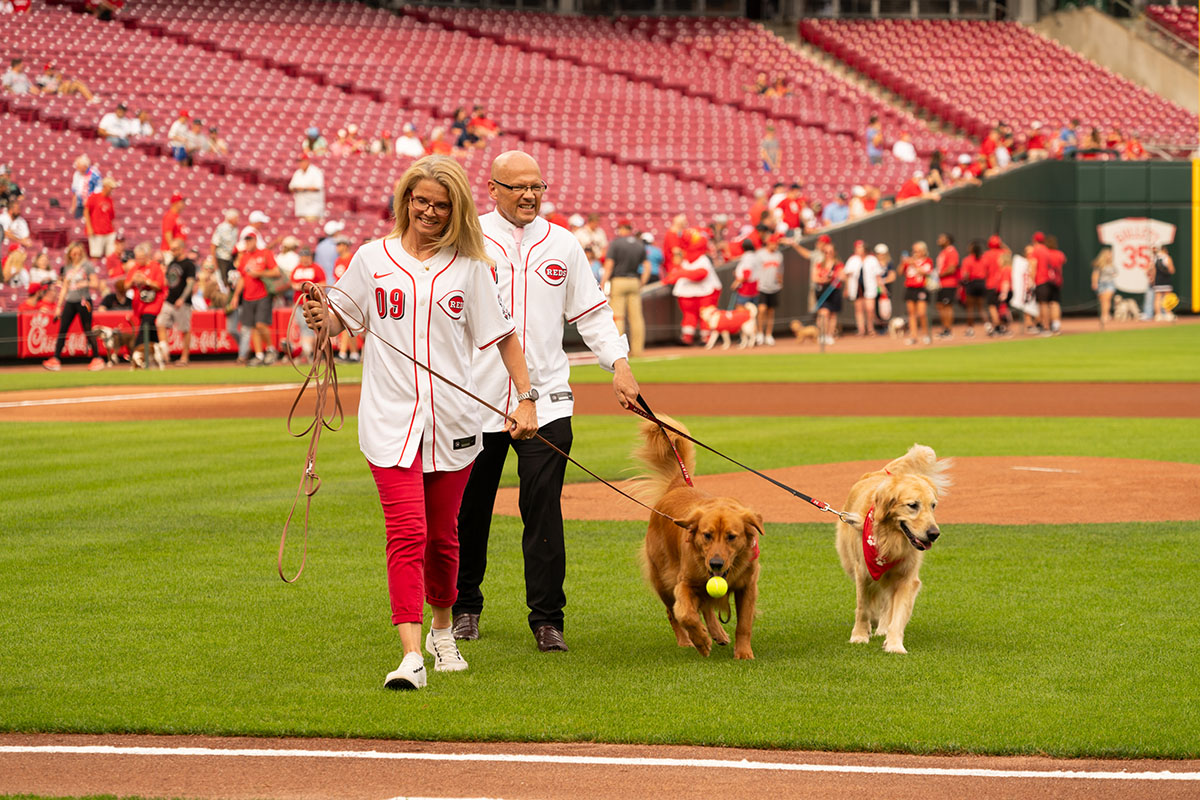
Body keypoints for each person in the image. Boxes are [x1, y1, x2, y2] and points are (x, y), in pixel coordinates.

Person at [302, 155, 537, 690]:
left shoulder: (470, 266)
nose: (428, 210)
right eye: (420, 199)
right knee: (406, 533)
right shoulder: (371, 258)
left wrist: (526, 399)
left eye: (441, 203)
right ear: (405, 199)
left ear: (456, 210)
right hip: (389, 421)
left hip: (455, 420)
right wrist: (321, 316)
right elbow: (340, 317)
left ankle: (442, 628)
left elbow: (504, 337)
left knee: (443, 539)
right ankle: (410, 654)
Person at [453, 150, 638, 653]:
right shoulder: (466, 241)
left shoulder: (563, 243)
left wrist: (618, 364)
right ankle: (464, 606)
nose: (530, 196)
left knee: (544, 514)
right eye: (518, 187)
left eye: (538, 186)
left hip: (550, 401)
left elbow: (593, 312)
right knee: (470, 512)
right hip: (477, 401)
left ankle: (547, 619)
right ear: (492, 189)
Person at [227, 230, 280, 366]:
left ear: (256, 241)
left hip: (263, 294)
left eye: (250, 240)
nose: (248, 243)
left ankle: (270, 349)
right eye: (246, 240)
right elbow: (242, 279)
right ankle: (259, 355)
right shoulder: (244, 257)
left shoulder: (265, 253)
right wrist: (236, 296)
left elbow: (276, 272)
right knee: (252, 327)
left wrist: (259, 273)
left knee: (261, 324)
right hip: (248, 296)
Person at [601, 219, 649, 358]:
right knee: (637, 318)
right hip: (634, 281)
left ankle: (619, 351)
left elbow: (609, 265)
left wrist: (603, 282)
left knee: (618, 317)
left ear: (621, 228)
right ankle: (638, 351)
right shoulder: (639, 244)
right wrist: (642, 282)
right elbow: (647, 266)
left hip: (619, 281)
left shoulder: (616, 243)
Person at [671, 233, 722, 346]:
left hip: (705, 291)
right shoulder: (684, 260)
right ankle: (687, 337)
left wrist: (683, 273)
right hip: (688, 292)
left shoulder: (703, 259)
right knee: (689, 316)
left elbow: (701, 274)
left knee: (706, 315)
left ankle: (706, 338)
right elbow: (673, 273)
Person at [157, 238, 197, 365]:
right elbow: (166, 282)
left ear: (181, 249)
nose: (172, 251)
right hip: (170, 300)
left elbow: (190, 284)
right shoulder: (172, 263)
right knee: (160, 323)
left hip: (182, 302)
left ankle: (185, 357)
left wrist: (182, 299)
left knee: (184, 330)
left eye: (175, 249)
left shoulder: (189, 264)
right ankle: (165, 355)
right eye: (171, 249)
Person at [126, 242, 166, 365]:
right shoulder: (135, 268)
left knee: (145, 326)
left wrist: (146, 281)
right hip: (139, 306)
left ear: (147, 256)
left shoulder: (155, 267)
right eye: (137, 258)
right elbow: (125, 286)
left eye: (141, 258)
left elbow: (159, 285)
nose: (139, 260)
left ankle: (136, 354)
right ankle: (160, 354)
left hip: (153, 304)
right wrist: (133, 280)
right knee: (151, 332)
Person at [288, 247, 324, 362]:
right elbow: (292, 283)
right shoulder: (297, 269)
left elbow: (323, 284)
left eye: (306, 257)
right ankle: (307, 351)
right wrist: (299, 286)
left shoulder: (316, 268)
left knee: (310, 326)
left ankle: (310, 351)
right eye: (303, 257)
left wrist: (310, 287)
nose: (304, 259)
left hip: (312, 302)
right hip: (299, 302)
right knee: (303, 326)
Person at [842, 239, 883, 337]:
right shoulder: (852, 260)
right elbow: (846, 275)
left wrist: (881, 287)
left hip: (869, 287)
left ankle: (870, 328)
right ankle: (861, 330)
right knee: (859, 309)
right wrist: (846, 288)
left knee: (870, 309)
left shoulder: (872, 259)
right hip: (856, 288)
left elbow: (878, 275)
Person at [901, 241, 933, 345]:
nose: (916, 253)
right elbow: (900, 272)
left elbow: (925, 272)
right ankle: (913, 336)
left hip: (921, 288)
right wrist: (903, 262)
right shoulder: (909, 261)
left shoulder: (927, 261)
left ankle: (925, 334)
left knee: (922, 313)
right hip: (910, 288)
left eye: (918, 251)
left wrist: (913, 264)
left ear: (924, 251)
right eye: (914, 251)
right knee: (911, 313)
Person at [84, 177, 118, 259]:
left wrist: (113, 228)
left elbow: (111, 217)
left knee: (111, 256)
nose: (112, 190)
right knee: (96, 254)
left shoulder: (110, 200)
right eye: (111, 188)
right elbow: (86, 212)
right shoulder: (94, 197)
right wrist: (89, 228)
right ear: (105, 186)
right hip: (96, 232)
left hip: (109, 231)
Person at [933, 233, 960, 339]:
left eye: (941, 238)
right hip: (941, 284)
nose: (939, 240)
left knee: (947, 306)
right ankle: (944, 328)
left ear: (948, 240)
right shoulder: (943, 252)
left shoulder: (951, 251)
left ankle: (948, 330)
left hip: (949, 283)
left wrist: (937, 275)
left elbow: (952, 268)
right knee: (940, 306)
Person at [288, 153, 325, 222]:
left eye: (302, 161)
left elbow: (318, 187)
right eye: (299, 162)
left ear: (307, 161)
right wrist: (297, 189)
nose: (300, 164)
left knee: (310, 227)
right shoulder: (298, 173)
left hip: (313, 207)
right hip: (300, 207)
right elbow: (291, 187)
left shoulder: (315, 171)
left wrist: (303, 189)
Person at [210, 208, 239, 288]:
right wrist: (214, 260)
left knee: (230, 280)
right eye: (236, 218)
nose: (238, 220)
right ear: (231, 218)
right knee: (222, 281)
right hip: (221, 258)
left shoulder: (235, 229)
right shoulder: (222, 228)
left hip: (230, 258)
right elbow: (213, 244)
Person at [70, 155, 102, 221]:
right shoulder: (76, 174)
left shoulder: (94, 174)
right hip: (80, 205)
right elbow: (75, 191)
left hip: (91, 206)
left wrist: (90, 200)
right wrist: (73, 207)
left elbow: (99, 191)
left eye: (78, 166)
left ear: (84, 167)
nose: (77, 168)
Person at [1091, 247, 1117, 327]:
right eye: (1108, 254)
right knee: (1103, 301)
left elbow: (1115, 273)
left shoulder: (1112, 265)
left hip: (1110, 283)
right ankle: (1104, 314)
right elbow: (1095, 274)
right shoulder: (1099, 265)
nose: (1110, 256)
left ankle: (1105, 315)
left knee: (1107, 299)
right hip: (1101, 284)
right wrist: (1094, 283)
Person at [1150, 246, 1175, 321]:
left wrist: (1153, 280)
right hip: (1165, 280)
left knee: (1157, 298)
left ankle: (1158, 315)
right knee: (1167, 297)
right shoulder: (1167, 258)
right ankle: (1168, 314)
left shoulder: (1155, 258)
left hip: (1158, 280)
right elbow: (1171, 270)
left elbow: (1153, 271)